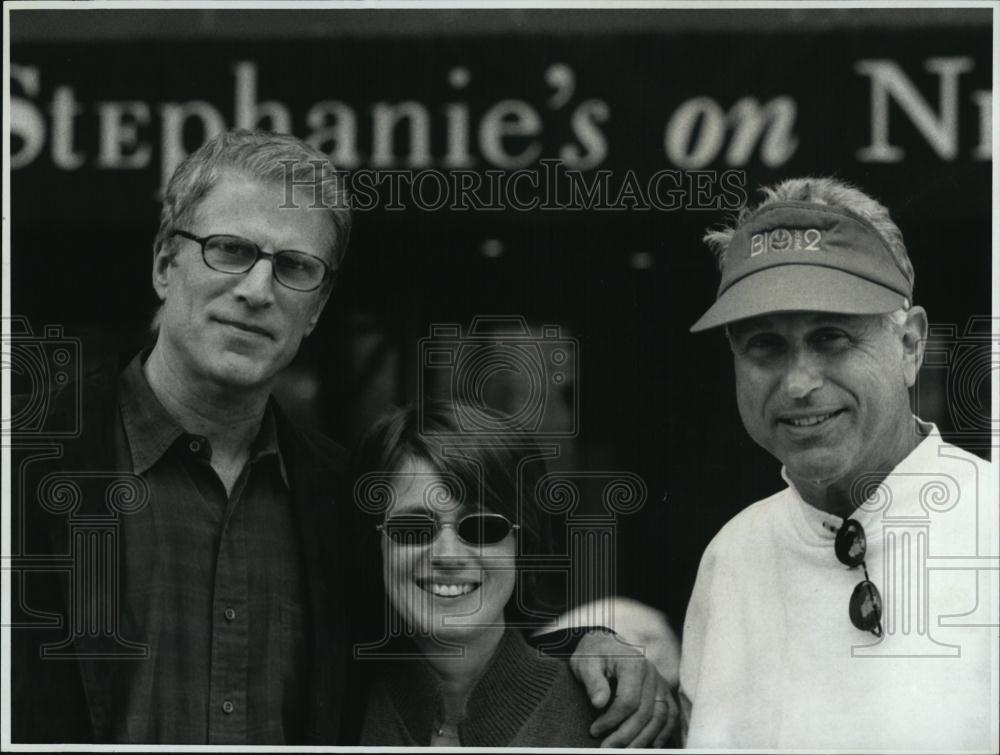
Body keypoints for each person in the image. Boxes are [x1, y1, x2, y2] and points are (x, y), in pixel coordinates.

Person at [11, 128, 675, 745]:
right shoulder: (27, 468)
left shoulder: (338, 494)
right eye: (231, 250)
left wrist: (587, 644)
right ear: (164, 262)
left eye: (295, 266)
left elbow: (449, 620)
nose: (256, 289)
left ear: (318, 309)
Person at [680, 177, 998, 750]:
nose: (799, 383)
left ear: (910, 346)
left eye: (832, 337)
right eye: (765, 345)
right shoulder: (731, 556)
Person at [352, 401, 609, 747]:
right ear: (376, 545)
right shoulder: (331, 709)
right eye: (412, 527)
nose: (448, 555)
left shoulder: (613, 720)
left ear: (524, 544)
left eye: (483, 527)